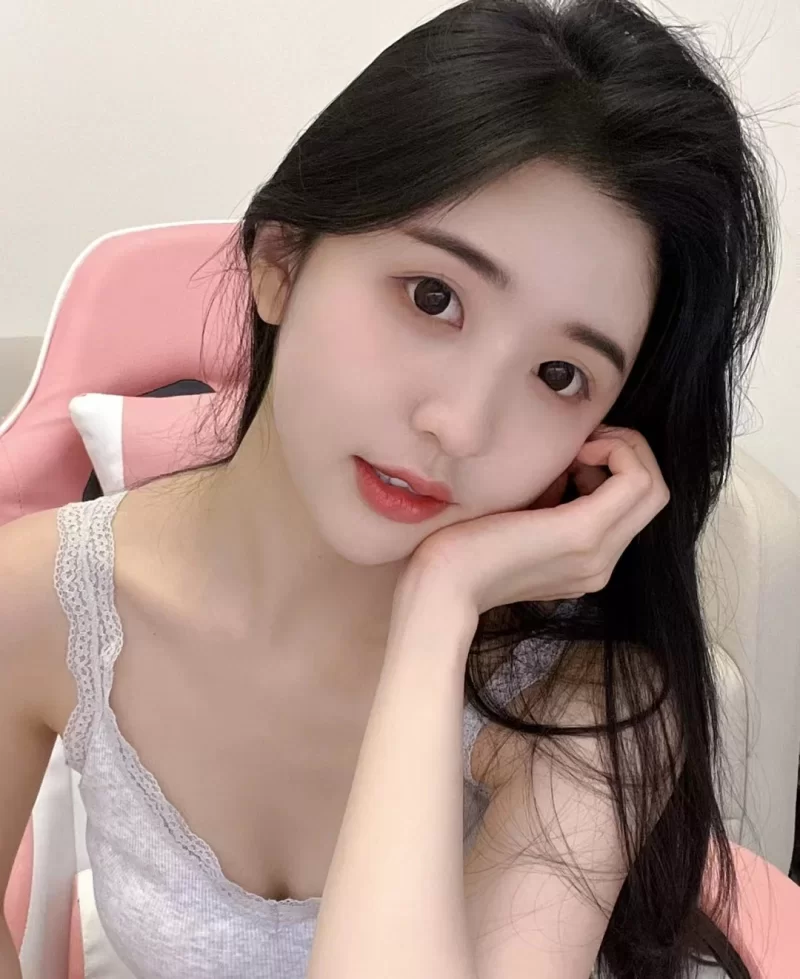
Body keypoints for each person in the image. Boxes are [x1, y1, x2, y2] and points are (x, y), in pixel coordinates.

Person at [0, 0, 779, 976]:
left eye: (558, 375)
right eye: (432, 297)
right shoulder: (41, 597)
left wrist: (436, 610)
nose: (461, 425)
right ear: (280, 259)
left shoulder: (585, 699)